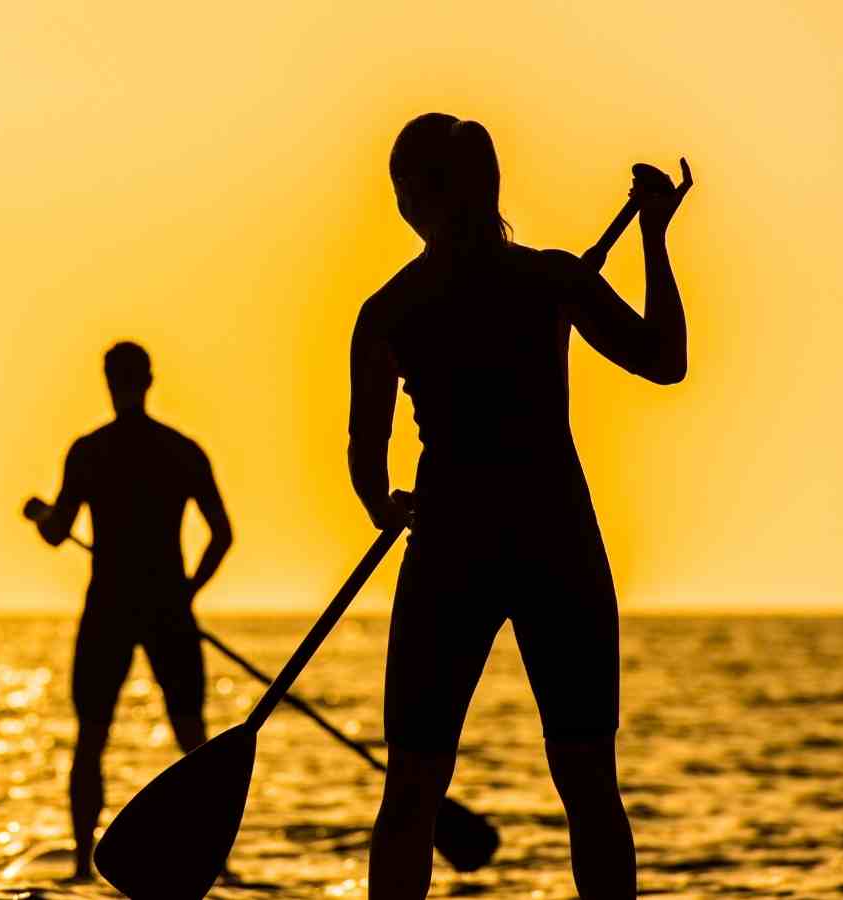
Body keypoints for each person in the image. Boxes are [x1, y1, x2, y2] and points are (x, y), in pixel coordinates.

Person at [347, 113, 690, 900]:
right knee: (587, 783)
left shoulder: (393, 307)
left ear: (410, 200)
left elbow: (368, 463)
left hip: (451, 545)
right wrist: (656, 237)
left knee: (413, 787)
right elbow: (664, 360)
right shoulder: (549, 280)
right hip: (554, 538)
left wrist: (383, 507)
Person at [26, 341, 234, 882]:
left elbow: (55, 531)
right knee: (191, 737)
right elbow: (221, 537)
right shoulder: (181, 450)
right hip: (164, 608)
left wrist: (40, 512)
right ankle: (216, 866)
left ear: (111, 380)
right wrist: (187, 592)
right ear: (148, 379)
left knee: (94, 734)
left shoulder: (90, 451)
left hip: (113, 608)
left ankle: (80, 864)